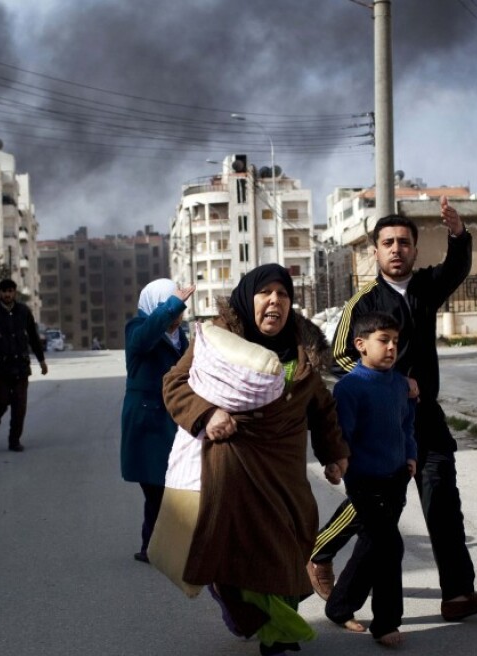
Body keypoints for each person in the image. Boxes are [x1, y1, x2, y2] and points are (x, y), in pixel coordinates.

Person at [308, 198, 477, 622]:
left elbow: (457, 269)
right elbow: (337, 358)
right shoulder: (362, 302)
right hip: (381, 423)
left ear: (415, 249)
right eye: (387, 243)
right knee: (376, 504)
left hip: (426, 419)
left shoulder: (426, 287)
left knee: (442, 502)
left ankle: (457, 594)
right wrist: (391, 380)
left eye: (403, 242)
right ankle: (320, 551)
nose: (396, 249)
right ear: (375, 252)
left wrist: (458, 235)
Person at [162, 264, 349, 656]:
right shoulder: (216, 340)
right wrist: (207, 415)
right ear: (248, 298)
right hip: (234, 465)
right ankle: (278, 633)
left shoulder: (305, 347)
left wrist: (334, 453)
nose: (274, 302)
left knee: (291, 543)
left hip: (285, 468)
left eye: (282, 295)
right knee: (247, 548)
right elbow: (175, 384)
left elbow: (322, 407)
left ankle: (267, 619)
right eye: (265, 293)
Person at [323, 312, 416, 647]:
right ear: (360, 345)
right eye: (383, 340)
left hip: (396, 478)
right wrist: (336, 464)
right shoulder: (351, 388)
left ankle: (339, 606)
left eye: (395, 341)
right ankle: (387, 623)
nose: (391, 347)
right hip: (364, 481)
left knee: (372, 545)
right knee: (391, 545)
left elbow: (406, 424)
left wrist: (411, 455)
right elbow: (340, 435)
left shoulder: (400, 384)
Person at [119, 279, 193, 563]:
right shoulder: (137, 329)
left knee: (169, 486)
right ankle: (156, 546)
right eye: (172, 310)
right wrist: (172, 305)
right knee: (156, 487)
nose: (177, 317)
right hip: (147, 421)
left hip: (173, 419)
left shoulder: (180, 336)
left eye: (179, 311)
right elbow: (148, 335)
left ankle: (153, 545)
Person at [0, 279, 47, 452]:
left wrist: (41, 360)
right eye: (4, 291)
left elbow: (33, 336)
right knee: (1, 401)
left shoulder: (23, 311)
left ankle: (14, 440)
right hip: (0, 367)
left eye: (10, 291)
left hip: (21, 367)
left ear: (15, 292)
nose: (7, 294)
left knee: (19, 407)